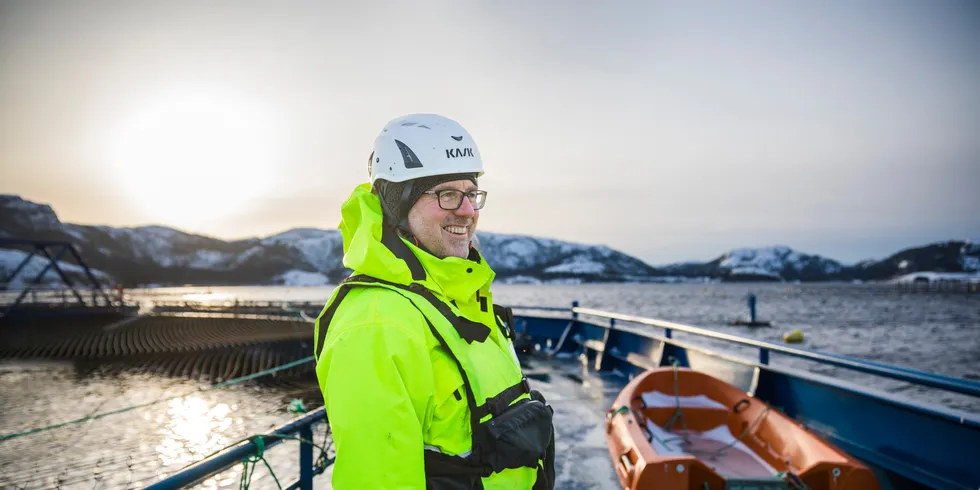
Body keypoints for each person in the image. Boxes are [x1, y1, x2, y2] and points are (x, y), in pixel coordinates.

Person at [314, 113, 555, 490]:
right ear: (397, 203)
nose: (468, 211)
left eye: (471, 193)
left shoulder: (455, 299)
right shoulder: (376, 327)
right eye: (447, 194)